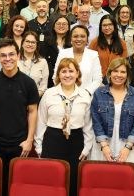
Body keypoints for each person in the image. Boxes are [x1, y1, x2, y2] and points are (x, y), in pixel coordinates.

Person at [0, 38, 39, 191]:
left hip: (20, 145)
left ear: (18, 55)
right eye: (3, 55)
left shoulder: (29, 83)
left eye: (11, 54)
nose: (8, 59)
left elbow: (33, 112)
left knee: (17, 186)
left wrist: (29, 140)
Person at [35, 58, 93, 196]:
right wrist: (39, 147)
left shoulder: (85, 95)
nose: (67, 75)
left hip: (76, 142)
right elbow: (41, 122)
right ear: (58, 75)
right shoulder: (49, 94)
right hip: (52, 141)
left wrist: (86, 148)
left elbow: (88, 125)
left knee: (73, 182)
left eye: (71, 71)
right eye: (64, 71)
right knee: (52, 181)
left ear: (77, 73)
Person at [90, 58, 134, 166]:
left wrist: (127, 148)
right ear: (109, 73)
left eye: (123, 72)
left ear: (127, 75)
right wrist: (104, 146)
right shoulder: (99, 93)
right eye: (115, 71)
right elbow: (96, 122)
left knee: (125, 179)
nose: (119, 75)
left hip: (127, 145)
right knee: (102, 179)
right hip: (102, 145)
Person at [54, 25, 102, 95]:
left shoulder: (93, 55)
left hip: (87, 97)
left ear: (87, 39)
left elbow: (97, 80)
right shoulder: (63, 53)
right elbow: (56, 76)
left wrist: (85, 93)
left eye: (82, 36)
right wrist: (65, 93)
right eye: (75, 36)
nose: (79, 39)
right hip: (64, 96)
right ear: (71, 38)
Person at [39, 15, 72, 88]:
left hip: (69, 78)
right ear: (53, 27)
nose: (61, 26)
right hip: (49, 80)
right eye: (58, 24)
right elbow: (43, 61)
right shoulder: (45, 42)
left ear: (68, 27)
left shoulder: (72, 43)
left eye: (64, 24)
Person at [18, 31, 49, 96]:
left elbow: (43, 87)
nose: (30, 44)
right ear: (22, 43)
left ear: (36, 45)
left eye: (33, 42)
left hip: (35, 100)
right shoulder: (15, 60)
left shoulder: (43, 62)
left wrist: (32, 98)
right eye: (27, 41)